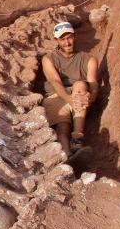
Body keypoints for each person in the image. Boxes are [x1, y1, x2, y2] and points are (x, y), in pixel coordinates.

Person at [41, 21, 99, 162]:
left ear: (75, 36)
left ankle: (77, 138)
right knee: (62, 127)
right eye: (62, 39)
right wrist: (69, 100)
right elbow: (55, 82)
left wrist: (89, 99)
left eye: (69, 38)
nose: (67, 43)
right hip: (56, 95)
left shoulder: (89, 59)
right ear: (56, 41)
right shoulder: (48, 59)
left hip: (80, 97)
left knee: (80, 84)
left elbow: (93, 84)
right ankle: (68, 156)